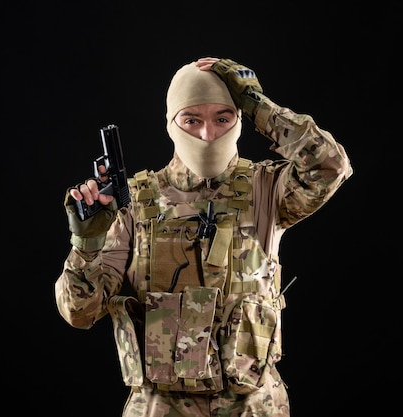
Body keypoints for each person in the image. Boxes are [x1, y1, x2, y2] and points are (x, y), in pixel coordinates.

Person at [54, 57, 353, 416]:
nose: (208, 134)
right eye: (191, 120)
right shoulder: (132, 204)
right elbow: (79, 312)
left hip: (253, 406)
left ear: (238, 119)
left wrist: (258, 105)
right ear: (171, 123)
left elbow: (330, 166)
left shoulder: (266, 189)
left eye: (223, 118)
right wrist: (86, 243)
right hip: (161, 406)